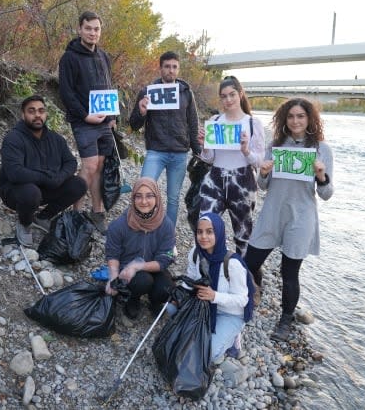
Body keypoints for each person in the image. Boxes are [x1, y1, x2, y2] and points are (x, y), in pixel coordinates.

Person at [244, 97, 334, 341]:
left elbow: (326, 194)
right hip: (273, 212)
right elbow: (263, 186)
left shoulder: (321, 149)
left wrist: (321, 175)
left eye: (301, 116)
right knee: (248, 263)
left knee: (289, 272)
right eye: (291, 116)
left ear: (309, 119)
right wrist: (262, 173)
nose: (295, 121)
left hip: (301, 217)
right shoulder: (276, 146)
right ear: (285, 119)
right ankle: (255, 289)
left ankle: (285, 319)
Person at [0, 94, 87, 246]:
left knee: (79, 184)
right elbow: (14, 173)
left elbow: (70, 162)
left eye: (41, 111)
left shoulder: (56, 139)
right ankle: (24, 224)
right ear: (23, 114)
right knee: (31, 193)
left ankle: (43, 217)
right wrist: (45, 178)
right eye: (31, 111)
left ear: (45, 114)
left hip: (46, 188)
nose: (37, 115)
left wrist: (60, 177)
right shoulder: (13, 139)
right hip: (16, 191)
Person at [129, 51, 201, 231]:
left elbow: (192, 123)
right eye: (167, 67)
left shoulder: (186, 93)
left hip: (179, 153)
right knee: (143, 189)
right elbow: (134, 125)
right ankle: (143, 230)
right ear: (160, 68)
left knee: (173, 198)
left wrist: (198, 151)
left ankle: (168, 236)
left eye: (174, 67)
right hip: (156, 151)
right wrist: (141, 112)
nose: (171, 70)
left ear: (178, 69)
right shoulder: (147, 92)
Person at [58, 11, 115, 234]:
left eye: (96, 29)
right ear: (79, 29)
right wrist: (84, 116)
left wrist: (112, 117)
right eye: (88, 28)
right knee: (89, 166)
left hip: (104, 122)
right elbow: (66, 92)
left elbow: (109, 86)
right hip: (83, 122)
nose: (92, 32)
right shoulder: (69, 58)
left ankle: (97, 211)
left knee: (99, 166)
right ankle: (75, 213)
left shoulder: (104, 57)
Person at [196, 76, 265, 255]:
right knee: (206, 227)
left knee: (243, 234)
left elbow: (259, 162)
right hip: (215, 179)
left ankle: (243, 276)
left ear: (240, 94)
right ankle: (208, 272)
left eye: (232, 94)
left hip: (243, 181)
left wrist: (245, 150)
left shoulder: (252, 123)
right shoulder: (216, 121)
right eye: (224, 96)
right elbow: (209, 158)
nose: (228, 100)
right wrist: (204, 145)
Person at [183, 212, 255, 362]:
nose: (203, 237)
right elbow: (190, 278)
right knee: (172, 311)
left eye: (210, 232)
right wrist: (179, 293)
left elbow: (243, 300)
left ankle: (233, 339)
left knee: (208, 353)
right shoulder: (195, 254)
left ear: (219, 232)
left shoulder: (232, 264)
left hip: (230, 313)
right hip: (204, 304)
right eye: (200, 232)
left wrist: (215, 296)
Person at [104, 177, 175, 319]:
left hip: (152, 266)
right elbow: (112, 254)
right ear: (133, 199)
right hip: (127, 270)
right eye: (139, 196)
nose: (143, 202)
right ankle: (133, 298)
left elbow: (165, 259)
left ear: (157, 198)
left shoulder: (166, 224)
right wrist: (113, 277)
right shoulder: (119, 225)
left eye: (149, 196)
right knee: (143, 281)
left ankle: (154, 302)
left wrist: (138, 266)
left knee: (167, 288)